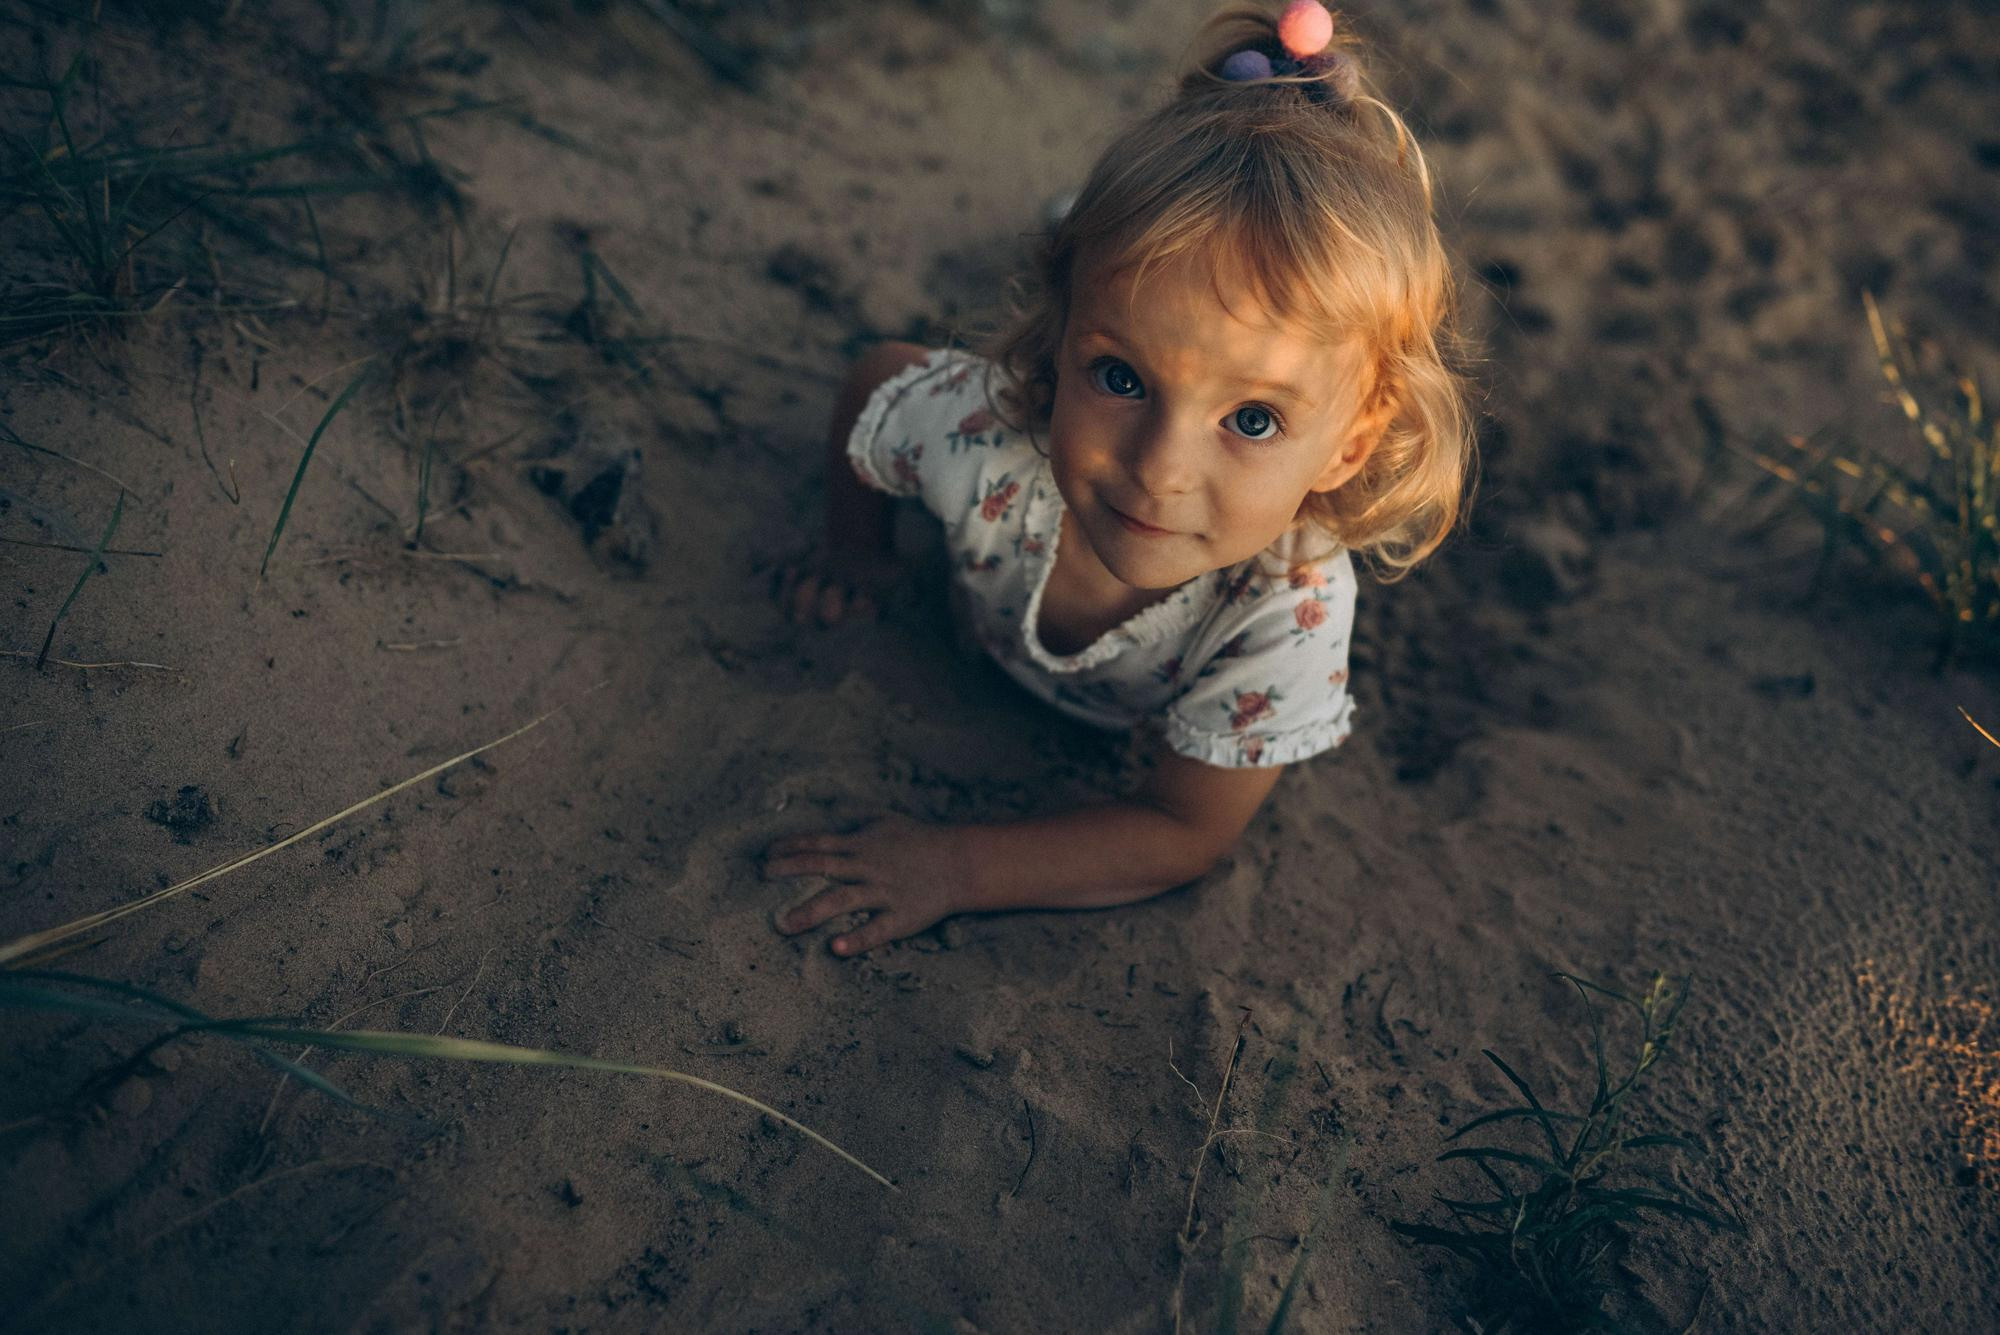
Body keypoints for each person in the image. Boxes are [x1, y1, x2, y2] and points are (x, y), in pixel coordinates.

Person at [763, 1, 1475, 956]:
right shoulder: (986, 439)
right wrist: (854, 549)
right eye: (1122, 377)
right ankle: (1082, 250)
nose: (1160, 469)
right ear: (1057, 350)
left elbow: (1182, 830)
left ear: (1348, 446)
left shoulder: (1288, 612)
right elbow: (875, 384)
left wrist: (956, 867)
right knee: (1103, 255)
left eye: (1253, 419)